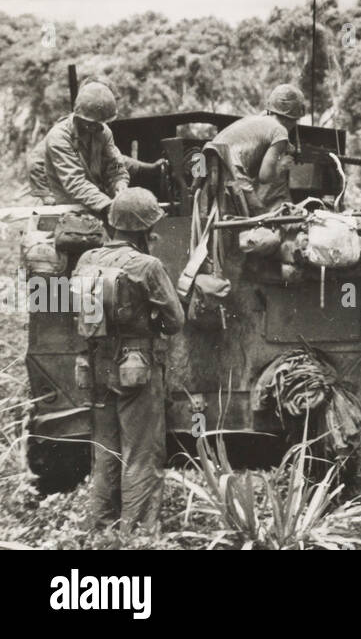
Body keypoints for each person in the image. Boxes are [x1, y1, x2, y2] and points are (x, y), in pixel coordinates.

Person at [80, 187, 185, 535]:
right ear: (144, 228)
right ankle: (136, 535)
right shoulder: (148, 265)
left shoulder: (87, 259)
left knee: (105, 451)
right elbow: (175, 321)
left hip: (97, 365)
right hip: (137, 368)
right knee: (142, 452)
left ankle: (99, 529)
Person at [26, 81, 165, 216]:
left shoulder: (103, 131)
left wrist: (119, 181)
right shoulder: (59, 137)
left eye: (101, 123)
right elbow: (75, 182)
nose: (98, 128)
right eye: (92, 124)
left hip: (94, 202)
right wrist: (108, 206)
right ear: (79, 117)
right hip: (67, 207)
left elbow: (115, 162)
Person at [205, 84, 306, 214]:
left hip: (210, 167)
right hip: (231, 170)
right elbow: (265, 176)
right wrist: (281, 165)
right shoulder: (279, 131)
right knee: (260, 219)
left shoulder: (261, 120)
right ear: (293, 118)